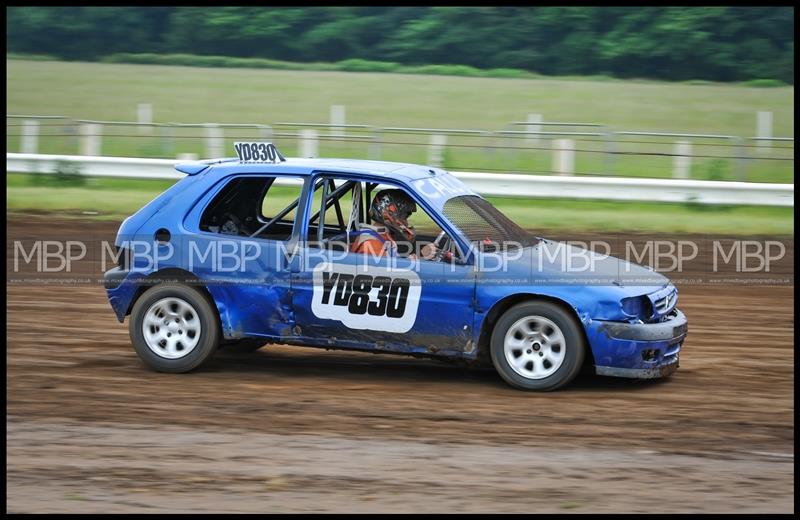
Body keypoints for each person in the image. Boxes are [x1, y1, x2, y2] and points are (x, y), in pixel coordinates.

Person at [350, 189, 439, 260]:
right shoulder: (371, 244)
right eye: (404, 217)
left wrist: (421, 255)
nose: (406, 223)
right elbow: (389, 276)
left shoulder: (384, 236)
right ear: (388, 214)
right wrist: (420, 257)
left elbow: (396, 262)